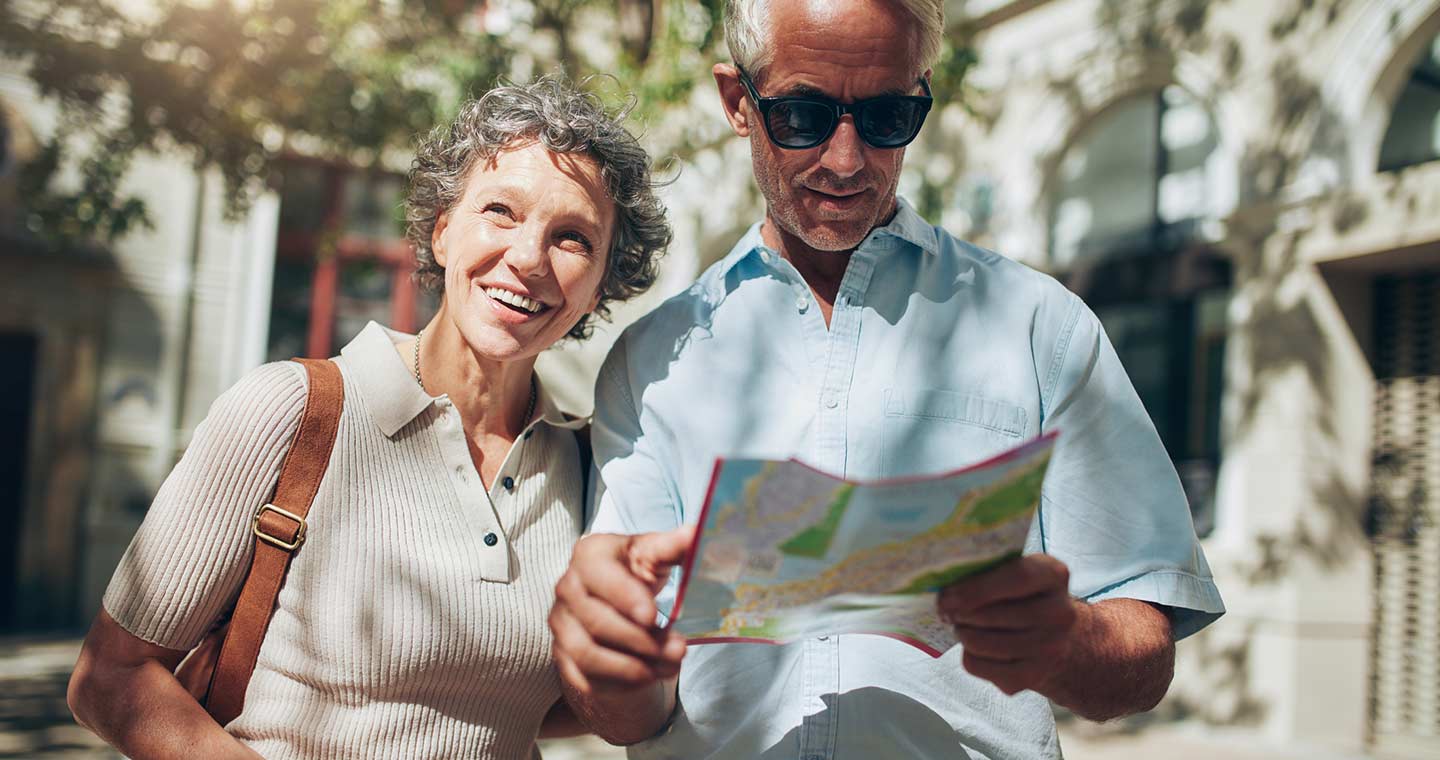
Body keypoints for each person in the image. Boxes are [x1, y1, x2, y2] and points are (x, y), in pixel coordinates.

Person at [547, 1, 1226, 758]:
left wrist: (1065, 642)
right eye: (802, 115)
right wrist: (606, 662)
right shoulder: (653, 361)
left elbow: (1144, 652)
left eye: (885, 117)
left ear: (921, 98)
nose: (845, 159)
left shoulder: (1041, 328)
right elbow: (629, 713)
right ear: (739, 103)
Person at [67, 75, 671, 760]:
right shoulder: (292, 412)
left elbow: (528, 698)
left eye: (573, 240)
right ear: (443, 232)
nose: (528, 258)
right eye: (501, 211)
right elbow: (110, 678)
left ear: (599, 290)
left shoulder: (592, 464)